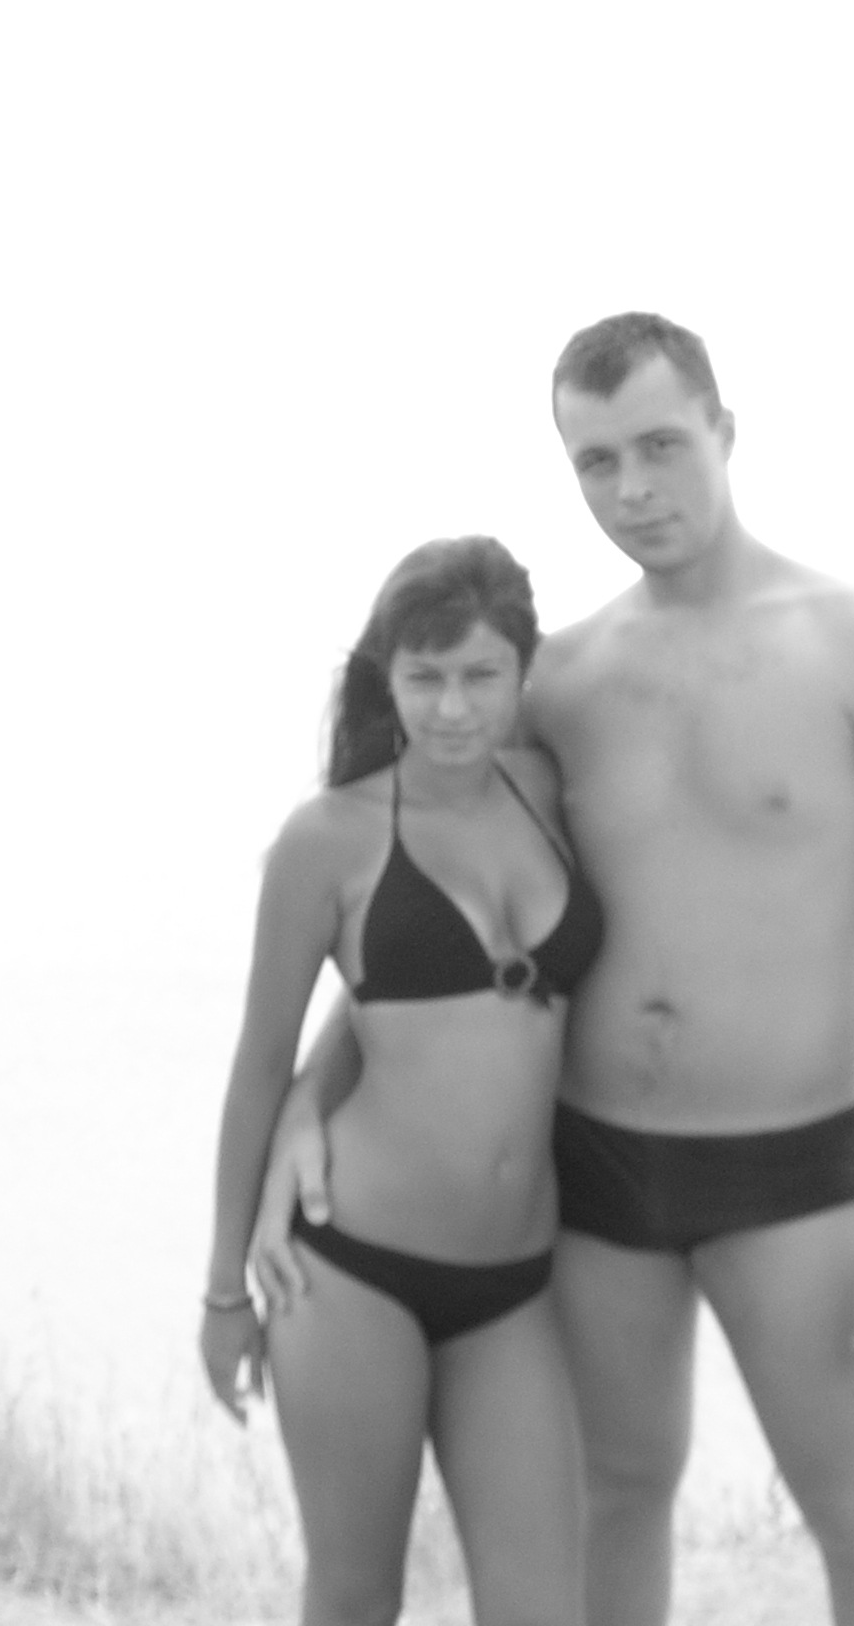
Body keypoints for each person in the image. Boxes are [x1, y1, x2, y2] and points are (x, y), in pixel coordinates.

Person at [254, 315, 854, 1626]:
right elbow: (431, 935)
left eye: (661, 447)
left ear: (726, 431)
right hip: (594, 1168)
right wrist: (303, 1111)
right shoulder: (558, 681)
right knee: (615, 1493)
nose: (632, 490)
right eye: (595, 462)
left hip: (787, 1171)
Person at [202, 535, 604, 1626]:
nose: (453, 709)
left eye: (481, 675)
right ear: (387, 677)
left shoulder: (548, 794)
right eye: (424, 677)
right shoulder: (327, 840)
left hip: (514, 1282)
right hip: (351, 1273)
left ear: (522, 672)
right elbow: (259, 1064)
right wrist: (225, 1290)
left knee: (544, 1610)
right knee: (355, 1597)